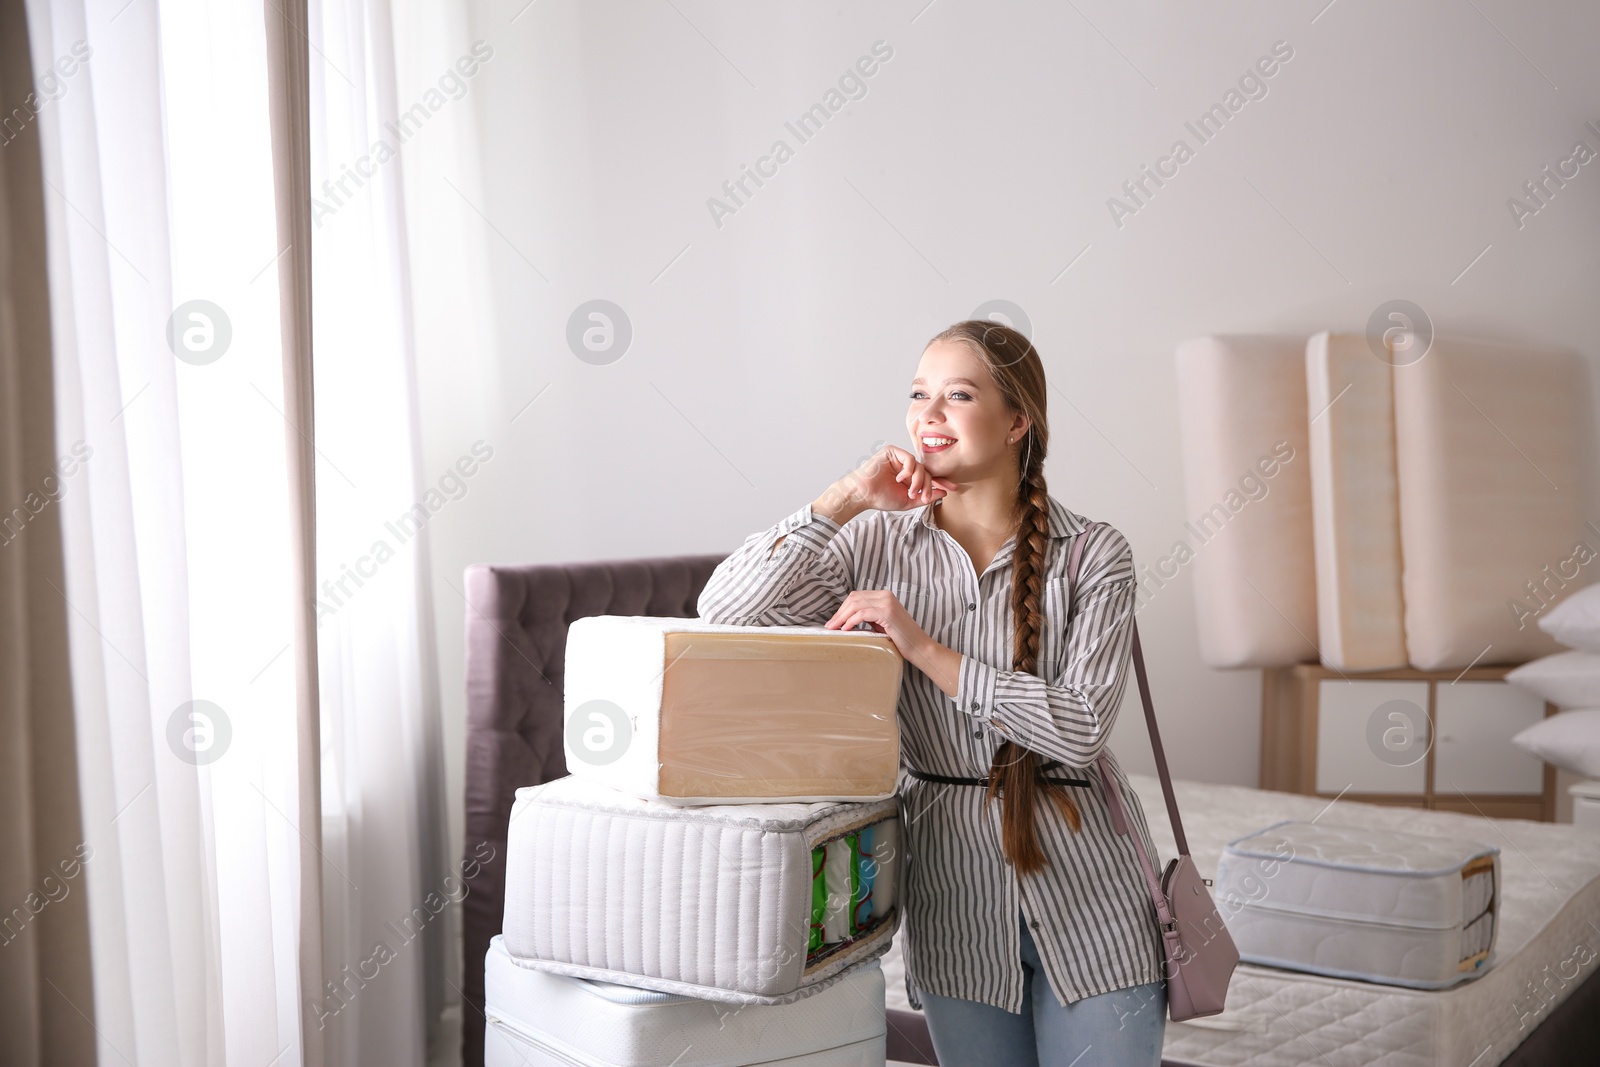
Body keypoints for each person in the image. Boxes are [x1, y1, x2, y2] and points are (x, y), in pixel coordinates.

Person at [696, 320, 1167, 1066]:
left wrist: (923, 647)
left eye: (958, 394)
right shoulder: (877, 541)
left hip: (1096, 896)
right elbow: (725, 610)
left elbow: (1079, 727)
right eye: (919, 394)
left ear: (1018, 422)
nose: (928, 414)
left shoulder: (1093, 554)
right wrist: (848, 496)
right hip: (955, 901)